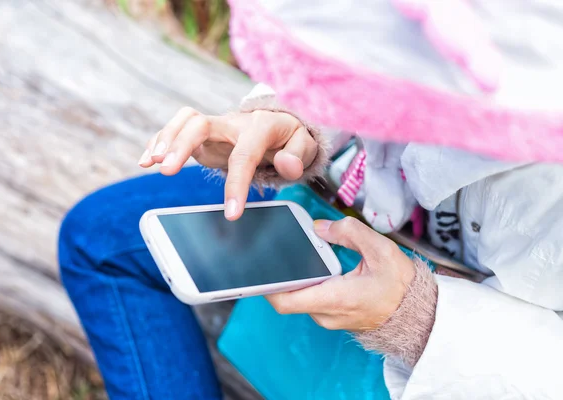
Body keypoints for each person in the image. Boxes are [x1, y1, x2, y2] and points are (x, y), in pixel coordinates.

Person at [59, 0, 563, 398]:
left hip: (477, 350)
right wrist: (300, 122)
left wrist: (417, 320)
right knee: (104, 234)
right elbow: (378, 42)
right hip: (364, 216)